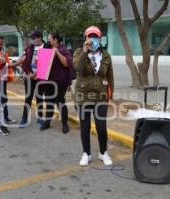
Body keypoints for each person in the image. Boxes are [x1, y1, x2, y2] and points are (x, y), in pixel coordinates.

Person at [73, 26, 114, 166]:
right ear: (85, 38)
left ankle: (103, 152)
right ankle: (86, 153)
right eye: (89, 36)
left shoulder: (106, 55)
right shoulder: (79, 52)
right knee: (85, 127)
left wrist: (111, 94)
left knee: (101, 127)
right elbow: (77, 69)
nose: (92, 39)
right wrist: (85, 51)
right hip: (83, 96)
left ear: (100, 38)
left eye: (95, 36)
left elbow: (110, 76)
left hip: (100, 96)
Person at [39, 33, 73, 134]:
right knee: (49, 102)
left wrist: (57, 52)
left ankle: (65, 124)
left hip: (60, 82)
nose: (48, 41)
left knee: (60, 103)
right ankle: (47, 122)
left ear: (56, 40)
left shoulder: (63, 50)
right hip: (48, 81)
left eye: (50, 39)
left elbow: (67, 63)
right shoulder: (47, 48)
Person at [18, 30, 49, 128]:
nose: (33, 40)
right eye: (32, 38)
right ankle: (24, 118)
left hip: (41, 77)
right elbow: (24, 63)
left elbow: (49, 63)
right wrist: (29, 73)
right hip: (30, 76)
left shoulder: (47, 47)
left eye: (34, 38)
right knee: (28, 98)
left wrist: (40, 74)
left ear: (40, 37)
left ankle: (40, 117)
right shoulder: (29, 48)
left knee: (40, 97)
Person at [0, 34, 23, 124]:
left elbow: (7, 63)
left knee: (4, 99)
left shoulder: (2, 52)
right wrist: (18, 62)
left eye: (2, 44)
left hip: (3, 79)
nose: (1, 46)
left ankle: (5, 117)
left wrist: (16, 63)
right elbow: (2, 66)